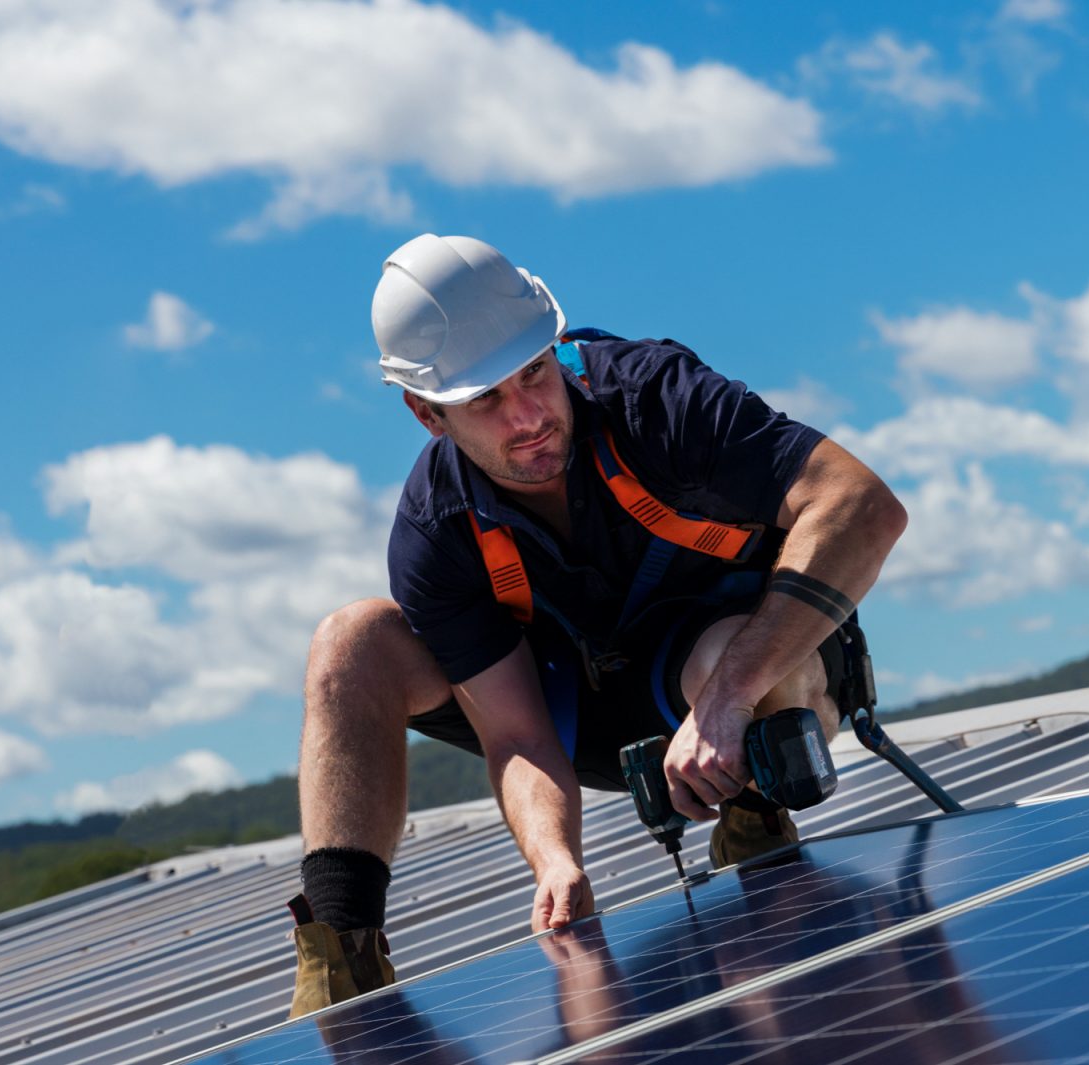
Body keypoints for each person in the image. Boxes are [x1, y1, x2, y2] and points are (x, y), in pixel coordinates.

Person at [286, 234, 907, 1016]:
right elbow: (515, 736)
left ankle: (754, 819)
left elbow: (862, 504)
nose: (529, 416)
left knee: (724, 658)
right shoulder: (436, 530)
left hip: (738, 684)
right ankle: (341, 971)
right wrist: (553, 861)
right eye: (486, 400)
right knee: (352, 642)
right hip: (575, 718)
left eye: (534, 375)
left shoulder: (656, 397)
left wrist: (728, 698)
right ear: (426, 414)